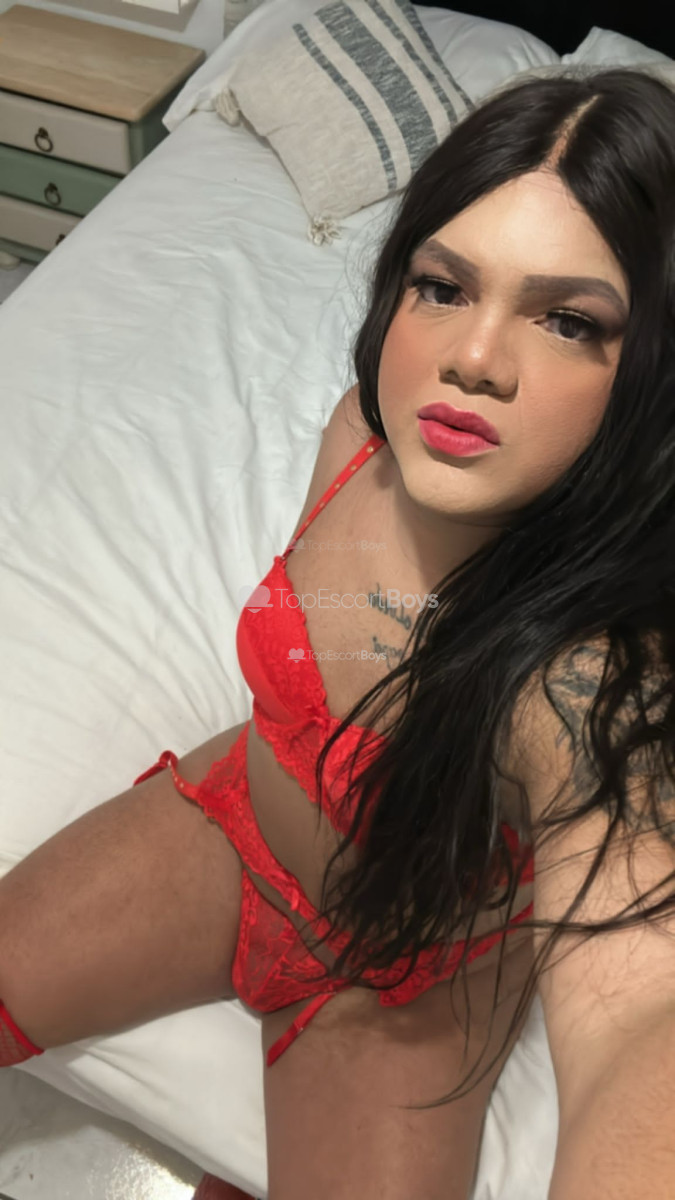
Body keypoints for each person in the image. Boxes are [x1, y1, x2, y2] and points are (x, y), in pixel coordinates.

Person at [2, 65, 675, 1198]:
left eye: (568, 321)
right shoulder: (368, 428)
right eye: (442, 287)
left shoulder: (590, 679)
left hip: (399, 992)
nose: (471, 358)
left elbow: (642, 1009)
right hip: (230, 833)